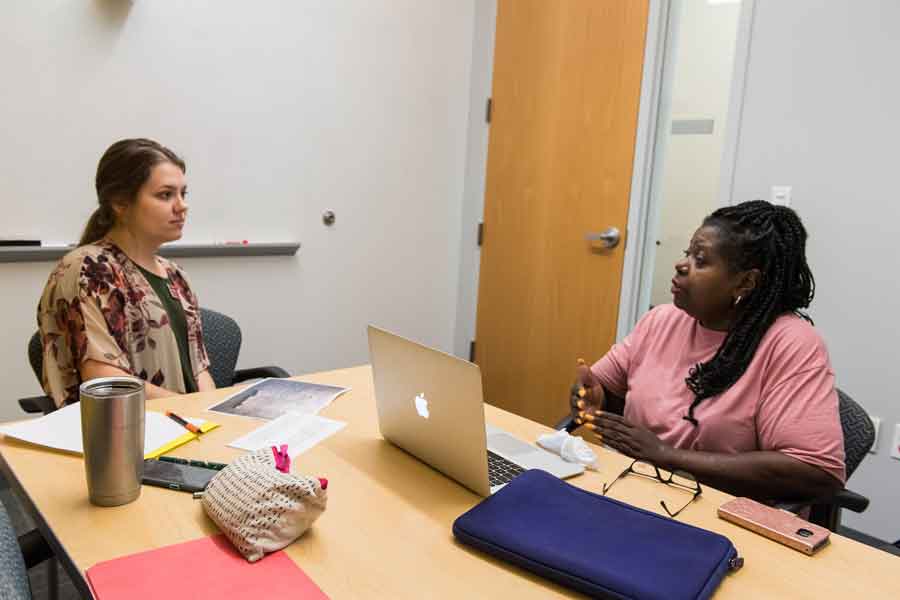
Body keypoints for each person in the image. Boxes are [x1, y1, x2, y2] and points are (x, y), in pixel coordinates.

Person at [572, 200, 844, 502]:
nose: (682, 265)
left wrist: (668, 456)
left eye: (701, 260)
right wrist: (595, 399)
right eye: (687, 253)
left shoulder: (791, 343)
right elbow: (607, 392)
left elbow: (816, 472)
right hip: (633, 492)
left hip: (722, 520)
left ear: (745, 282)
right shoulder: (661, 320)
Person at [37, 138, 215, 408]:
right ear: (120, 202)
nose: (182, 206)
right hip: (128, 435)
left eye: (183, 194)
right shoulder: (89, 270)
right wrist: (195, 410)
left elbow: (199, 371)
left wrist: (216, 412)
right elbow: (107, 381)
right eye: (166, 195)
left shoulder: (176, 275)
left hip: (191, 426)